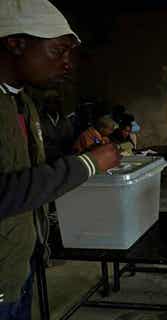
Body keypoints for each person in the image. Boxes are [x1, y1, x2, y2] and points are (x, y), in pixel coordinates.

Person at [0, 1, 120, 318]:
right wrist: (87, 165)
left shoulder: (20, 101)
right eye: (58, 51)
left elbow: (23, 171)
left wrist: (74, 154)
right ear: (16, 43)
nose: (68, 64)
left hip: (18, 264)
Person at [39, 90, 74, 162]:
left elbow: (70, 139)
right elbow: (40, 142)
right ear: (45, 104)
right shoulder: (39, 120)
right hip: (47, 159)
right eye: (49, 102)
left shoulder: (65, 120)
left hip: (64, 158)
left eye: (55, 102)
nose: (53, 105)